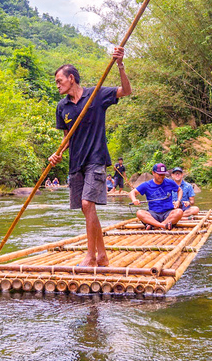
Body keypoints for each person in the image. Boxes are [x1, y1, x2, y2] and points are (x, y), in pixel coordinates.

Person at [48, 47, 131, 267]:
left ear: (71, 78)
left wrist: (120, 65)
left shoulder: (96, 95)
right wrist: (56, 155)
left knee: (87, 204)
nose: (57, 85)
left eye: (59, 80)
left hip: (96, 159)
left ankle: (90, 257)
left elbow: (126, 90)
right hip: (76, 164)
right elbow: (66, 140)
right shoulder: (62, 107)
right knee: (87, 210)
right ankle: (102, 255)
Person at [129, 163, 184, 230]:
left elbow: (179, 190)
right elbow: (132, 192)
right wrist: (134, 199)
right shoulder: (146, 185)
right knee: (139, 213)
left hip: (168, 213)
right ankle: (163, 226)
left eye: (163, 174)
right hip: (153, 214)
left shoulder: (170, 182)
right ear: (153, 173)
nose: (161, 176)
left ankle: (154, 225)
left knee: (179, 212)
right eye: (159, 174)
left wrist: (178, 201)